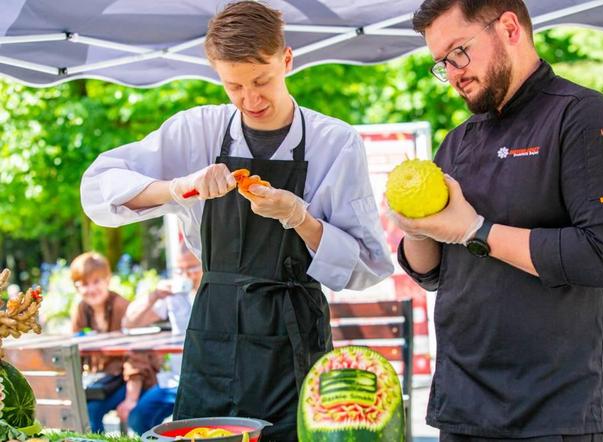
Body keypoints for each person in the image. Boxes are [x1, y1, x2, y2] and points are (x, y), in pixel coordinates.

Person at [80, 2, 393, 439]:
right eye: (234, 86)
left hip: (295, 340)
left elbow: (369, 266)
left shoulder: (335, 143)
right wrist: (177, 188)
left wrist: (300, 218)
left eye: (261, 80)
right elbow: (97, 187)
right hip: (213, 335)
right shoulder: (196, 131)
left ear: (286, 59)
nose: (251, 99)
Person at [390, 1, 603, 441]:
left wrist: (477, 231)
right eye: (441, 63)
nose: (452, 73)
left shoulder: (585, 117)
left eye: (459, 52)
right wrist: (416, 228)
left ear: (509, 28)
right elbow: (433, 272)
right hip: (461, 404)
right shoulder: (457, 142)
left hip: (550, 409)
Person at [70, 252, 160, 433]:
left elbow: (136, 357)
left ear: (107, 280)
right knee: (85, 410)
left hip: (133, 379)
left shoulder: (122, 307)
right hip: (102, 381)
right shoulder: (81, 309)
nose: (91, 289)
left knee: (93, 410)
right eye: (84, 284)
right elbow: (75, 350)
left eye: (96, 282)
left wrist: (131, 399)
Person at [121, 247, 202, 435]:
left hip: (207, 379)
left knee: (187, 423)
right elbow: (130, 322)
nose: (186, 275)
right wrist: (154, 295)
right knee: (139, 417)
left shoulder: (217, 294)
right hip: (177, 379)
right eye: (180, 270)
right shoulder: (174, 296)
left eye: (192, 268)